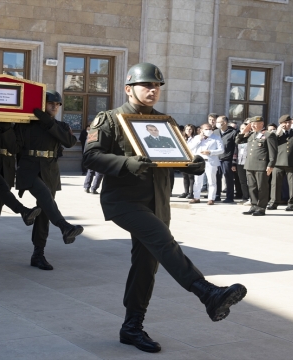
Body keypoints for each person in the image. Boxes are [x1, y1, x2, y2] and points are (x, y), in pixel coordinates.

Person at [83, 62, 246, 353]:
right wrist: (125, 164)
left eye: (156, 86)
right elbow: (91, 156)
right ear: (128, 88)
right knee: (163, 242)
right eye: (146, 85)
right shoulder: (109, 118)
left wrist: (191, 164)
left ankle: (132, 327)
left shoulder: (164, 122)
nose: (152, 90)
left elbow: (172, 157)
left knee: (146, 264)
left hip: (158, 201)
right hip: (123, 201)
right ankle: (206, 291)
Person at [14, 91, 84, 271]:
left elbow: (69, 142)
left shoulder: (60, 125)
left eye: (58, 104)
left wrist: (49, 123)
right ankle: (64, 226)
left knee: (45, 211)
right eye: (50, 103)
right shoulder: (27, 124)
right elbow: (15, 145)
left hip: (50, 171)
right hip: (29, 169)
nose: (54, 106)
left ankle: (38, 253)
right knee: (45, 198)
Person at [0, 119, 42, 257]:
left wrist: (7, 129)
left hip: (7, 166)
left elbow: (16, 149)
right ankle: (22, 210)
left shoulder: (15, 125)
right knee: (1, 191)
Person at [236, 116, 277, 216]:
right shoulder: (251, 135)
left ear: (262, 124)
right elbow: (238, 141)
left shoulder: (268, 135)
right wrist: (243, 132)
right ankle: (254, 205)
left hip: (261, 165)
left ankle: (261, 208)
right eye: (251, 124)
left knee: (262, 187)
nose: (252, 126)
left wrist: (271, 165)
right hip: (249, 165)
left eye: (255, 124)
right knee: (252, 187)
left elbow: (273, 152)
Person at [269, 115, 293, 211]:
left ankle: (292, 203)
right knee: (276, 184)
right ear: (280, 124)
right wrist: (277, 133)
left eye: (289, 122)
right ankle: (274, 202)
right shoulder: (274, 134)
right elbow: (271, 145)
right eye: (285, 123)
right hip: (278, 162)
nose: (288, 124)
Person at [188, 123, 223, 205]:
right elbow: (189, 148)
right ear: (201, 130)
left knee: (211, 181)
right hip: (199, 161)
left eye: (210, 129)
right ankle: (196, 197)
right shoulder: (196, 138)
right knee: (197, 181)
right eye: (206, 129)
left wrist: (210, 152)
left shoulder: (216, 138)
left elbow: (221, 150)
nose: (209, 131)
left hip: (210, 161)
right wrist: (199, 139)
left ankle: (211, 198)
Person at [213, 116, 238, 203]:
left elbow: (235, 148)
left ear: (225, 122)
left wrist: (234, 162)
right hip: (217, 158)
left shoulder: (233, 133)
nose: (217, 123)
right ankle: (216, 195)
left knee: (228, 178)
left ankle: (229, 197)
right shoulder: (215, 132)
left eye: (219, 122)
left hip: (227, 159)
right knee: (216, 178)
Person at [178, 124, 197, 199]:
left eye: (190, 129)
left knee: (191, 176)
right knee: (185, 176)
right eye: (187, 129)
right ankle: (186, 192)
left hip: (192, 158)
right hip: (184, 158)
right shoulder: (182, 138)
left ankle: (191, 193)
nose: (188, 131)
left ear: (193, 130)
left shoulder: (195, 138)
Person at [234, 120, 251, 205]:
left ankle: (252, 198)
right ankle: (245, 197)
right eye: (241, 128)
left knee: (250, 181)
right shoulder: (239, 138)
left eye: (244, 128)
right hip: (240, 162)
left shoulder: (251, 137)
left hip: (249, 162)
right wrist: (234, 162)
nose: (243, 130)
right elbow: (235, 150)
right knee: (242, 181)